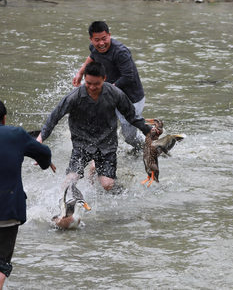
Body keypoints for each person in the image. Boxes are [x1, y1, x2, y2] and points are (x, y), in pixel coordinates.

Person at [39, 62, 159, 191]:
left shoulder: (115, 93)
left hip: (106, 146)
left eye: (96, 84)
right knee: (69, 182)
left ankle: (121, 190)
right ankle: (64, 206)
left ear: (104, 79)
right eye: (88, 83)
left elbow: (132, 116)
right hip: (81, 145)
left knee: (107, 185)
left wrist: (148, 131)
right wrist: (40, 139)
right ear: (85, 78)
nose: (92, 87)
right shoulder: (74, 97)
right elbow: (53, 118)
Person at [0, 99, 54, 288]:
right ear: (4, 118)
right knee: (1, 266)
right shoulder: (16, 134)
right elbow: (44, 153)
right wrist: (46, 163)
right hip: (8, 211)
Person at [71, 21, 148, 150]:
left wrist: (106, 90)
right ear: (91, 40)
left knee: (129, 137)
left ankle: (147, 147)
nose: (101, 43)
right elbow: (92, 56)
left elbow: (128, 77)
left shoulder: (120, 52)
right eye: (97, 40)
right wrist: (80, 73)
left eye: (104, 39)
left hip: (131, 99)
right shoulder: (95, 48)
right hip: (112, 95)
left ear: (109, 35)